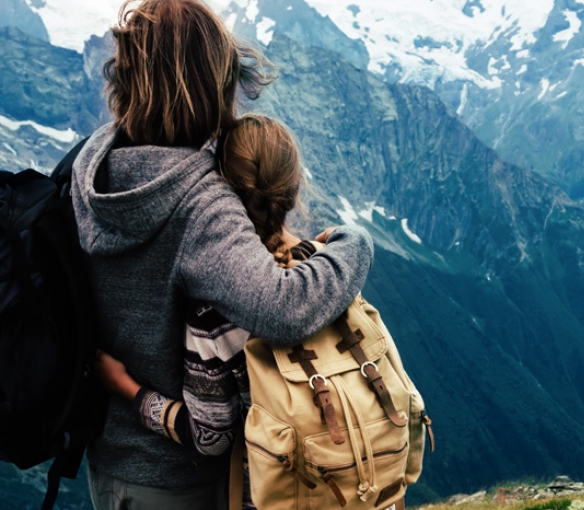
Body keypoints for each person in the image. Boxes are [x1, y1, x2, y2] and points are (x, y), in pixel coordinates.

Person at [72, 2, 373, 510]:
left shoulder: (90, 165)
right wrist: (354, 243)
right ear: (206, 83)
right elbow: (283, 306)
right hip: (183, 475)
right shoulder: (201, 202)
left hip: (109, 463)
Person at [96, 114, 331, 510]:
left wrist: (128, 390)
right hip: (344, 478)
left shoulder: (217, 307)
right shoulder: (322, 266)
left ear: (220, 188)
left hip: (274, 494)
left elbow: (211, 436)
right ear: (293, 187)